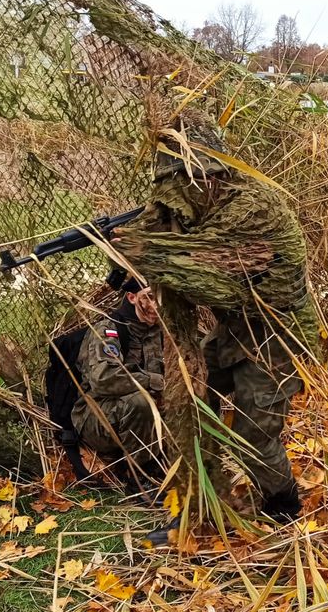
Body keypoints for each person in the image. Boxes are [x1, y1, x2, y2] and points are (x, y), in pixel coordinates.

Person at [109, 111, 314, 520]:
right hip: (234, 330)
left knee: (254, 435)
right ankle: (203, 488)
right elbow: (180, 252)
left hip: (276, 334)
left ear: (217, 172)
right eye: (180, 180)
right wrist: (128, 251)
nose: (191, 189)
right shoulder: (194, 205)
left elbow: (216, 285)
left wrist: (150, 253)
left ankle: (283, 504)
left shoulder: (253, 208)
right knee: (189, 395)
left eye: (199, 177)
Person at [71, 278, 167, 486]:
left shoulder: (159, 331)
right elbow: (103, 379)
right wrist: (154, 381)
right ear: (132, 298)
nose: (156, 305)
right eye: (149, 297)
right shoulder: (109, 329)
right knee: (140, 402)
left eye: (160, 297)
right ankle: (139, 479)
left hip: (143, 420)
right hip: (97, 417)